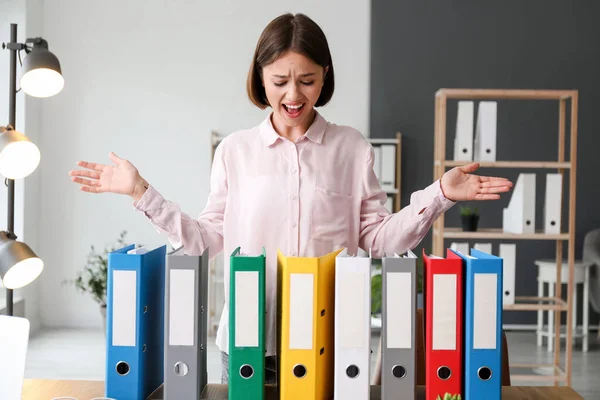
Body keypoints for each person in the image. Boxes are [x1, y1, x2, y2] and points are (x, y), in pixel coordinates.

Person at [69, 13, 513, 384]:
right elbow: (205, 239)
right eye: (280, 80)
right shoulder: (234, 151)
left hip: (332, 341)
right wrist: (140, 191)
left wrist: (439, 195)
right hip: (247, 343)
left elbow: (380, 241)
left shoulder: (351, 148)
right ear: (261, 79)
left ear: (325, 77)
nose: (294, 94)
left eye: (307, 80)